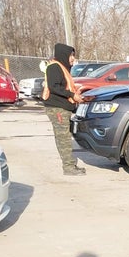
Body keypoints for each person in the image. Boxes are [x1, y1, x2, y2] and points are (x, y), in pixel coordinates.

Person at [42, 43, 85, 175]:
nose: (72, 58)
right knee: (64, 138)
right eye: (71, 55)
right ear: (64, 55)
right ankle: (68, 167)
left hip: (62, 107)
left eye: (73, 55)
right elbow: (54, 87)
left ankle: (70, 165)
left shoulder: (62, 67)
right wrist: (72, 95)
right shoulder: (54, 67)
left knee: (63, 137)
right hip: (57, 109)